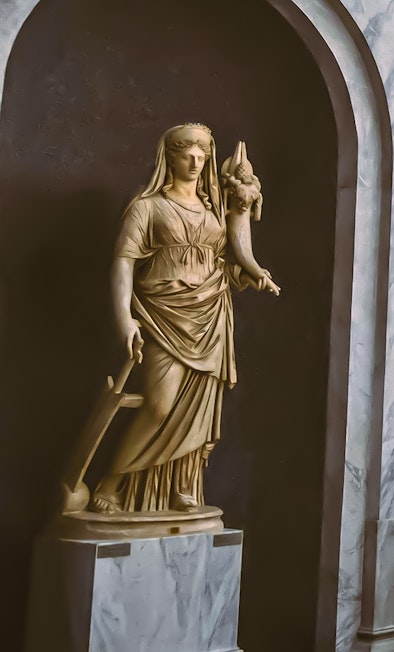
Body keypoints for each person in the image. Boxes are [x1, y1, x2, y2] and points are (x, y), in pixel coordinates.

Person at [90, 123, 279, 513]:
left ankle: (182, 485)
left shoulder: (214, 213)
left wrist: (250, 273)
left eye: (202, 154)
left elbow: (222, 264)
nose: (195, 161)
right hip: (163, 315)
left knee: (197, 409)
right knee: (160, 406)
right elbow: (123, 263)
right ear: (170, 157)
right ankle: (112, 481)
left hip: (210, 316)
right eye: (186, 153)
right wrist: (124, 318)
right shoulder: (148, 207)